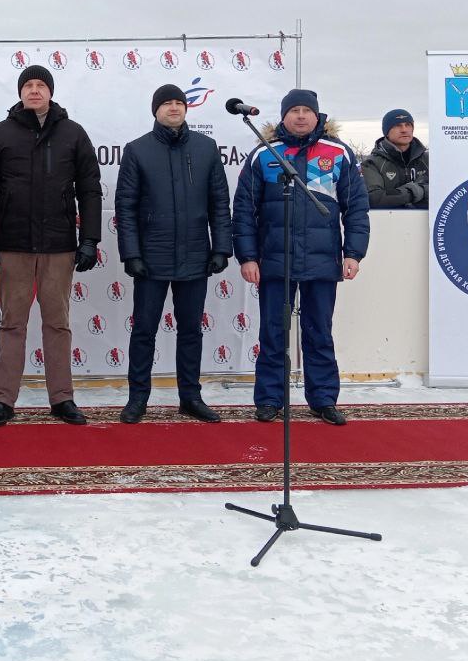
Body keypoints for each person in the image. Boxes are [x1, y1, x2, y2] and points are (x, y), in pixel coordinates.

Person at [0, 64, 102, 427]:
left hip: (59, 246)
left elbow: (90, 188)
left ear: (50, 91)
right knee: (12, 323)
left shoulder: (73, 134)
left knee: (57, 324)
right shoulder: (1, 134)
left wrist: (89, 238)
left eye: (40, 84)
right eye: (27, 84)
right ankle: (3, 401)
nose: (34, 90)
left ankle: (62, 399)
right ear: (20, 92)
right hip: (13, 245)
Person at [232, 89, 370, 426]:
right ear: (282, 116)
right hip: (274, 262)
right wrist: (247, 257)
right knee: (273, 333)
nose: (300, 116)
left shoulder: (338, 153)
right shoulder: (264, 155)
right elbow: (244, 212)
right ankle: (269, 399)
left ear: (317, 115)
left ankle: (323, 399)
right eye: (293, 110)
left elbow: (357, 208)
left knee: (319, 331)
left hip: (323, 262)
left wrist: (353, 253)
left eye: (307, 110)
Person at [116, 85, 231, 424]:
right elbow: (126, 207)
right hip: (151, 258)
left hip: (196, 255)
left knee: (191, 330)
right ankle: (138, 398)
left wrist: (222, 247)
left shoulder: (206, 148)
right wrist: (131, 254)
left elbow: (219, 203)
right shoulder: (138, 150)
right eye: (166, 103)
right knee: (144, 331)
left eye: (179, 102)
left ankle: (190, 397)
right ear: (155, 110)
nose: (174, 108)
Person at [361, 109, 428, 209]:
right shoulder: (372, 163)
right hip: (390, 221)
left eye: (408, 125)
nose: (404, 130)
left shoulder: (428, 160)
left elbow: (442, 190)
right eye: (398, 126)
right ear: (387, 132)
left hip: (427, 222)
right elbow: (374, 198)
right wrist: (415, 191)